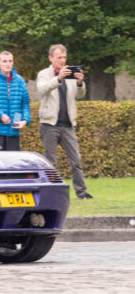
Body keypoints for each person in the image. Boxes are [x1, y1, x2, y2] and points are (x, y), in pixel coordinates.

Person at [37, 44, 92, 199]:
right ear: (51, 58)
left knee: (76, 161)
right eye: (59, 57)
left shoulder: (71, 75)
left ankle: (82, 193)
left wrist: (80, 82)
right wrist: (59, 78)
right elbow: (42, 89)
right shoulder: (44, 74)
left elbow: (80, 95)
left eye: (64, 57)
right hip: (49, 124)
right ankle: (50, 193)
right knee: (51, 162)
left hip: (68, 125)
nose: (62, 60)